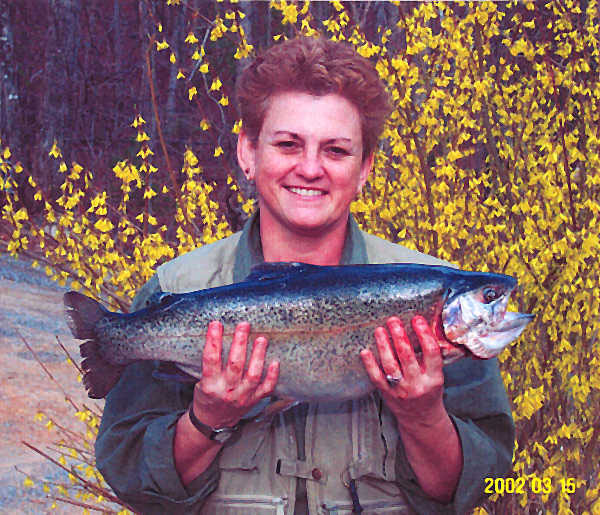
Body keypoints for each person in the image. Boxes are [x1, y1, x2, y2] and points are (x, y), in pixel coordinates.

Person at [95, 37, 515, 514]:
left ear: (365, 168)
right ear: (248, 153)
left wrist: (422, 418)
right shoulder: (177, 288)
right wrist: (208, 419)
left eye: (336, 150)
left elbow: (484, 487)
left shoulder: (430, 295)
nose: (311, 168)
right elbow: (130, 477)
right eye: (288, 144)